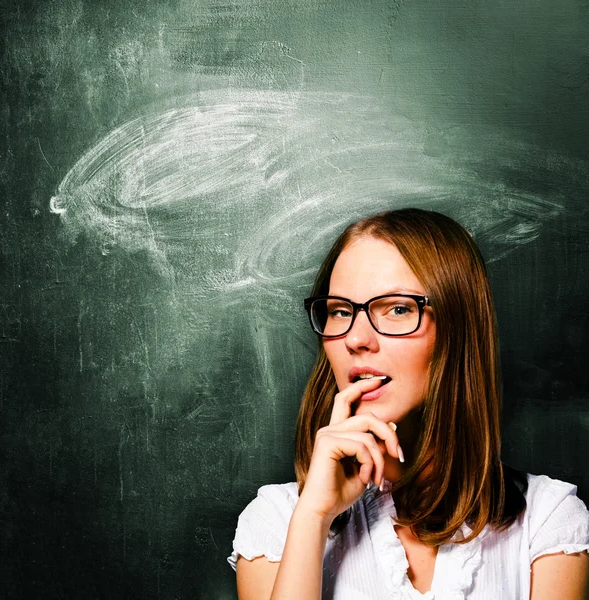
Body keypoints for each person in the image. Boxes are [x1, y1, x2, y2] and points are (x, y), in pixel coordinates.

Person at [227, 208, 589, 599]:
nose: (356, 339)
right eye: (340, 311)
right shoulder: (277, 521)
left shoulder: (546, 519)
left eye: (397, 308)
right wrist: (314, 517)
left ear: (457, 329)